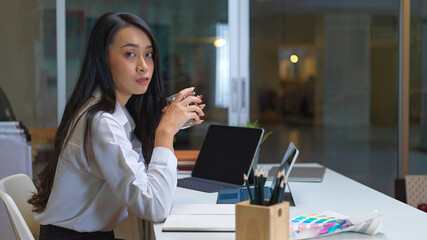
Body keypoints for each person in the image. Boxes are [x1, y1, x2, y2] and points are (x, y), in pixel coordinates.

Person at [28, 12, 205, 239]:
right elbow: (154, 208)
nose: (143, 66)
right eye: (130, 54)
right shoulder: (101, 123)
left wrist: (162, 126)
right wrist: (165, 132)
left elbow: (142, 177)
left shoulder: (116, 114)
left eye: (148, 54)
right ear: (103, 59)